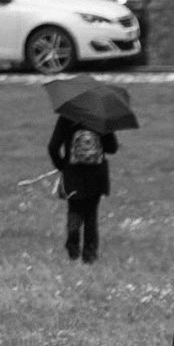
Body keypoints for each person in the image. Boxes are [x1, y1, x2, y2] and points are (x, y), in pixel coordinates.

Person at [49, 111, 120, 265]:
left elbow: (53, 147)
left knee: (74, 209)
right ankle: (89, 256)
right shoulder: (100, 116)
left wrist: (62, 166)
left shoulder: (67, 116)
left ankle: (73, 246)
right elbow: (112, 148)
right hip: (96, 175)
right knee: (91, 215)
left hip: (73, 174)